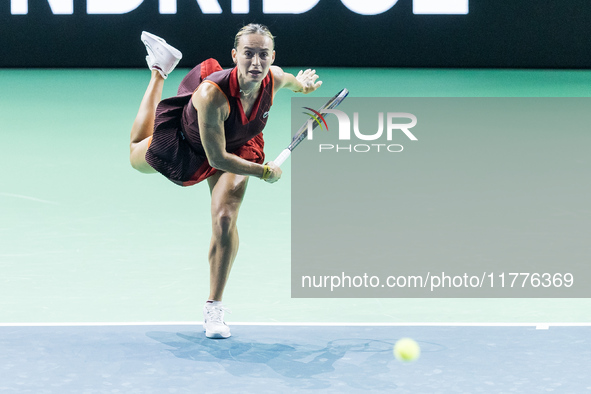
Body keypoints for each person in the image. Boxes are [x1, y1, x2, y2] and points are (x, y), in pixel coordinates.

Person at [129, 24, 322, 339]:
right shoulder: (212, 95)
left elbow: (293, 83)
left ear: (272, 57)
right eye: (248, 54)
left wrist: (302, 85)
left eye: (263, 55)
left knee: (224, 218)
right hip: (192, 143)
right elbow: (216, 158)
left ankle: (213, 306)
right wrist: (262, 172)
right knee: (137, 154)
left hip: (240, 146)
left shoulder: (273, 78)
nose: (256, 63)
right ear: (235, 55)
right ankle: (159, 70)